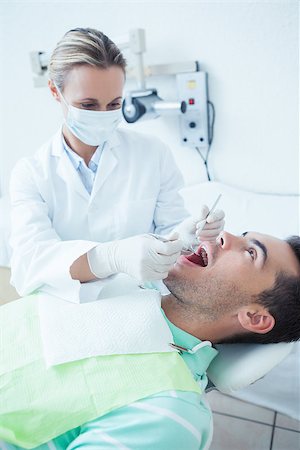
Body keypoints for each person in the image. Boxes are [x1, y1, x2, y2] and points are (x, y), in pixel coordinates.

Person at [1, 231, 300, 450]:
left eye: (251, 253)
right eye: (243, 235)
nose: (224, 235)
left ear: (255, 317)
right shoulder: (124, 280)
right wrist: (105, 257)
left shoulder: (171, 412)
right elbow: (28, 273)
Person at [9, 27, 225, 303]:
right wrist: (107, 258)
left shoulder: (152, 153)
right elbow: (29, 265)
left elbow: (170, 236)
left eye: (114, 104)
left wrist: (186, 235)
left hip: (145, 303)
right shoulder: (31, 173)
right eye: (88, 105)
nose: (102, 115)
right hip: (67, 311)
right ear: (55, 91)